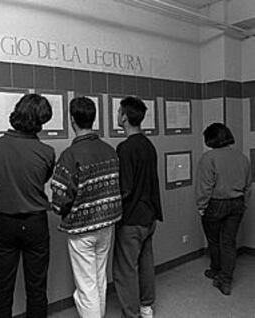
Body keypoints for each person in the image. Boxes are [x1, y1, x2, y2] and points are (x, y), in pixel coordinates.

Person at [0, 94, 55, 318]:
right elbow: (44, 182)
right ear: (38, 121)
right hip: (36, 224)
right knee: (37, 289)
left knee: (2, 287)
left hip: (5, 223)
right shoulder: (47, 152)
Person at [51, 96, 122, 318]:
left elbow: (60, 198)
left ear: (72, 120)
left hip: (81, 230)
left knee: (86, 285)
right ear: (93, 118)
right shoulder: (110, 150)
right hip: (107, 225)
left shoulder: (70, 156)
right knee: (99, 278)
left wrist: (54, 205)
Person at [112, 96, 163, 318]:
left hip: (131, 219)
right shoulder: (147, 144)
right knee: (145, 262)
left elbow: (125, 188)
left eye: (118, 111)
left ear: (124, 117)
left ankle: (131, 313)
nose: (117, 115)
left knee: (125, 269)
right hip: (149, 216)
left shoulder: (125, 148)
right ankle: (146, 306)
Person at [195, 122, 251, 296]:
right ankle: (226, 280)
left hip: (216, 203)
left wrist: (201, 206)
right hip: (237, 203)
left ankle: (216, 270)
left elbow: (205, 187)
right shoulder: (242, 157)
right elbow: (248, 186)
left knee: (214, 240)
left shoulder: (208, 158)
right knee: (228, 242)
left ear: (211, 138)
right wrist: (244, 204)